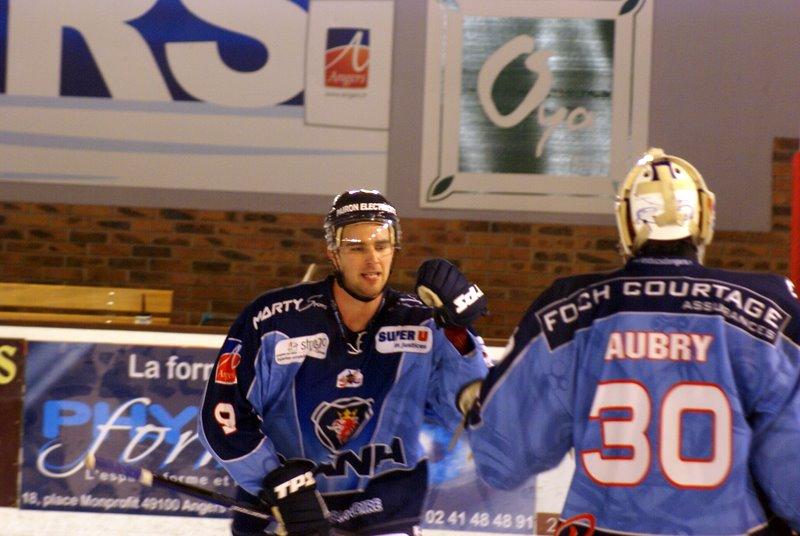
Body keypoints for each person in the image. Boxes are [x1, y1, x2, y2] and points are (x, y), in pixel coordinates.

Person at [456, 148, 800, 535]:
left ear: (626, 221)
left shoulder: (567, 310)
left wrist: (474, 401)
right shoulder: (771, 311)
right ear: (704, 215)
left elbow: (505, 459)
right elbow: (792, 468)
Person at [198, 189, 489, 536]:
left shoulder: (424, 324)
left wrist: (459, 331)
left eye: (381, 246)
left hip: (383, 515)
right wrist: (277, 485)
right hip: (284, 517)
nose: (372, 260)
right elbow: (222, 416)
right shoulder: (273, 321)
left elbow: (469, 413)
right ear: (333, 253)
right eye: (357, 247)